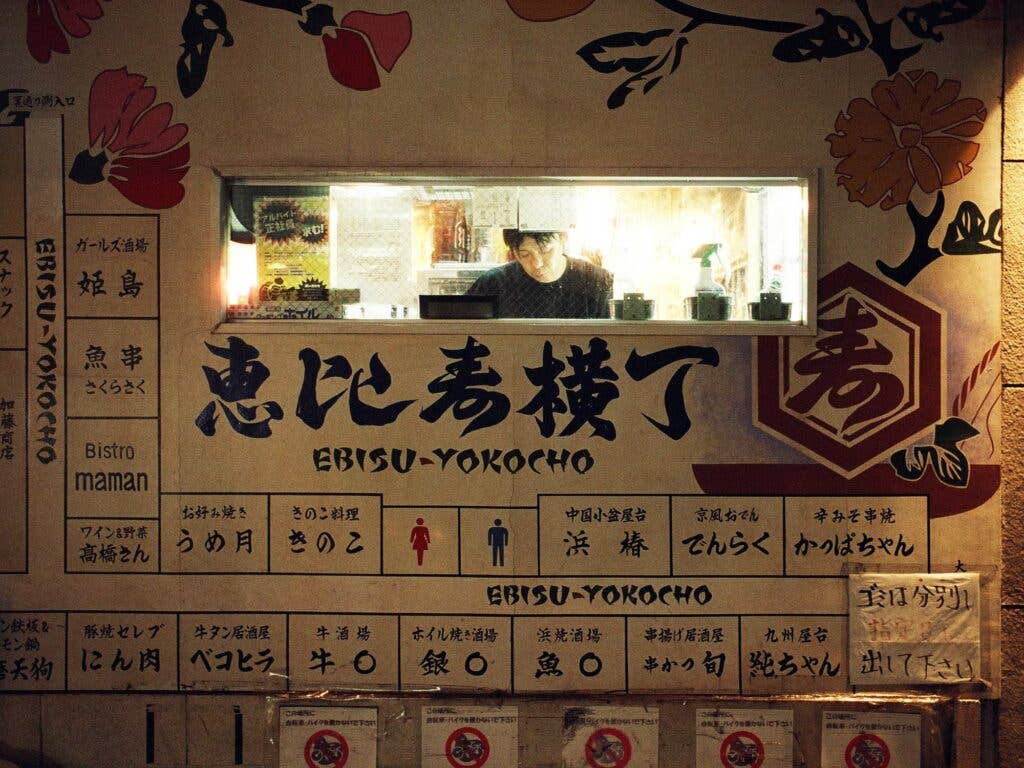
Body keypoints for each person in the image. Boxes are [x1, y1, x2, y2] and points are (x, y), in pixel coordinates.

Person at [466, 230, 612, 318]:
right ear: (514, 253)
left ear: (563, 239)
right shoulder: (493, 283)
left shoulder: (596, 280)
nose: (537, 264)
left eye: (545, 250)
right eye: (524, 254)